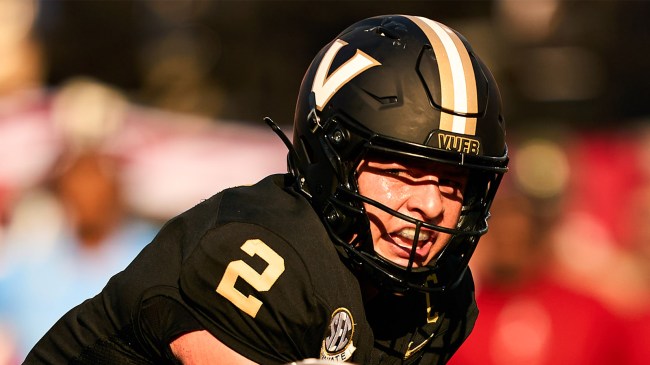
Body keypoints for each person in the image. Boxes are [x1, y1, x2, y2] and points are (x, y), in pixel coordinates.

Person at [24, 14, 508, 364]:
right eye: (402, 173)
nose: (430, 205)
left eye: (454, 183)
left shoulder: (437, 303)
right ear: (330, 161)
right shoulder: (262, 250)